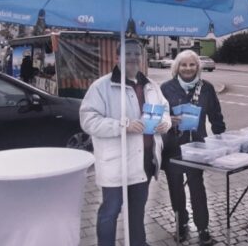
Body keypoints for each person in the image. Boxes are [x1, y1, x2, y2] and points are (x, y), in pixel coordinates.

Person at [79, 39, 171, 246]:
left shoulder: (151, 86)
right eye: (127, 54)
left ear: (142, 57)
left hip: (145, 162)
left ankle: (138, 242)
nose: (132, 58)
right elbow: (88, 120)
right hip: (117, 163)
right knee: (110, 211)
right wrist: (123, 126)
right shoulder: (101, 87)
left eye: (136, 54)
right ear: (117, 57)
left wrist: (165, 123)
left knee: (137, 210)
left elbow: (164, 109)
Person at [160, 50, 226, 245]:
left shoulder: (206, 88)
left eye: (192, 65)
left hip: (197, 147)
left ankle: (203, 228)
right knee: (175, 188)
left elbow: (216, 116)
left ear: (198, 67)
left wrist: (222, 141)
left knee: (197, 188)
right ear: (176, 67)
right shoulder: (166, 88)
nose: (188, 68)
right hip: (173, 146)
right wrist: (168, 120)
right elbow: (158, 118)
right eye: (183, 65)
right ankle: (181, 224)